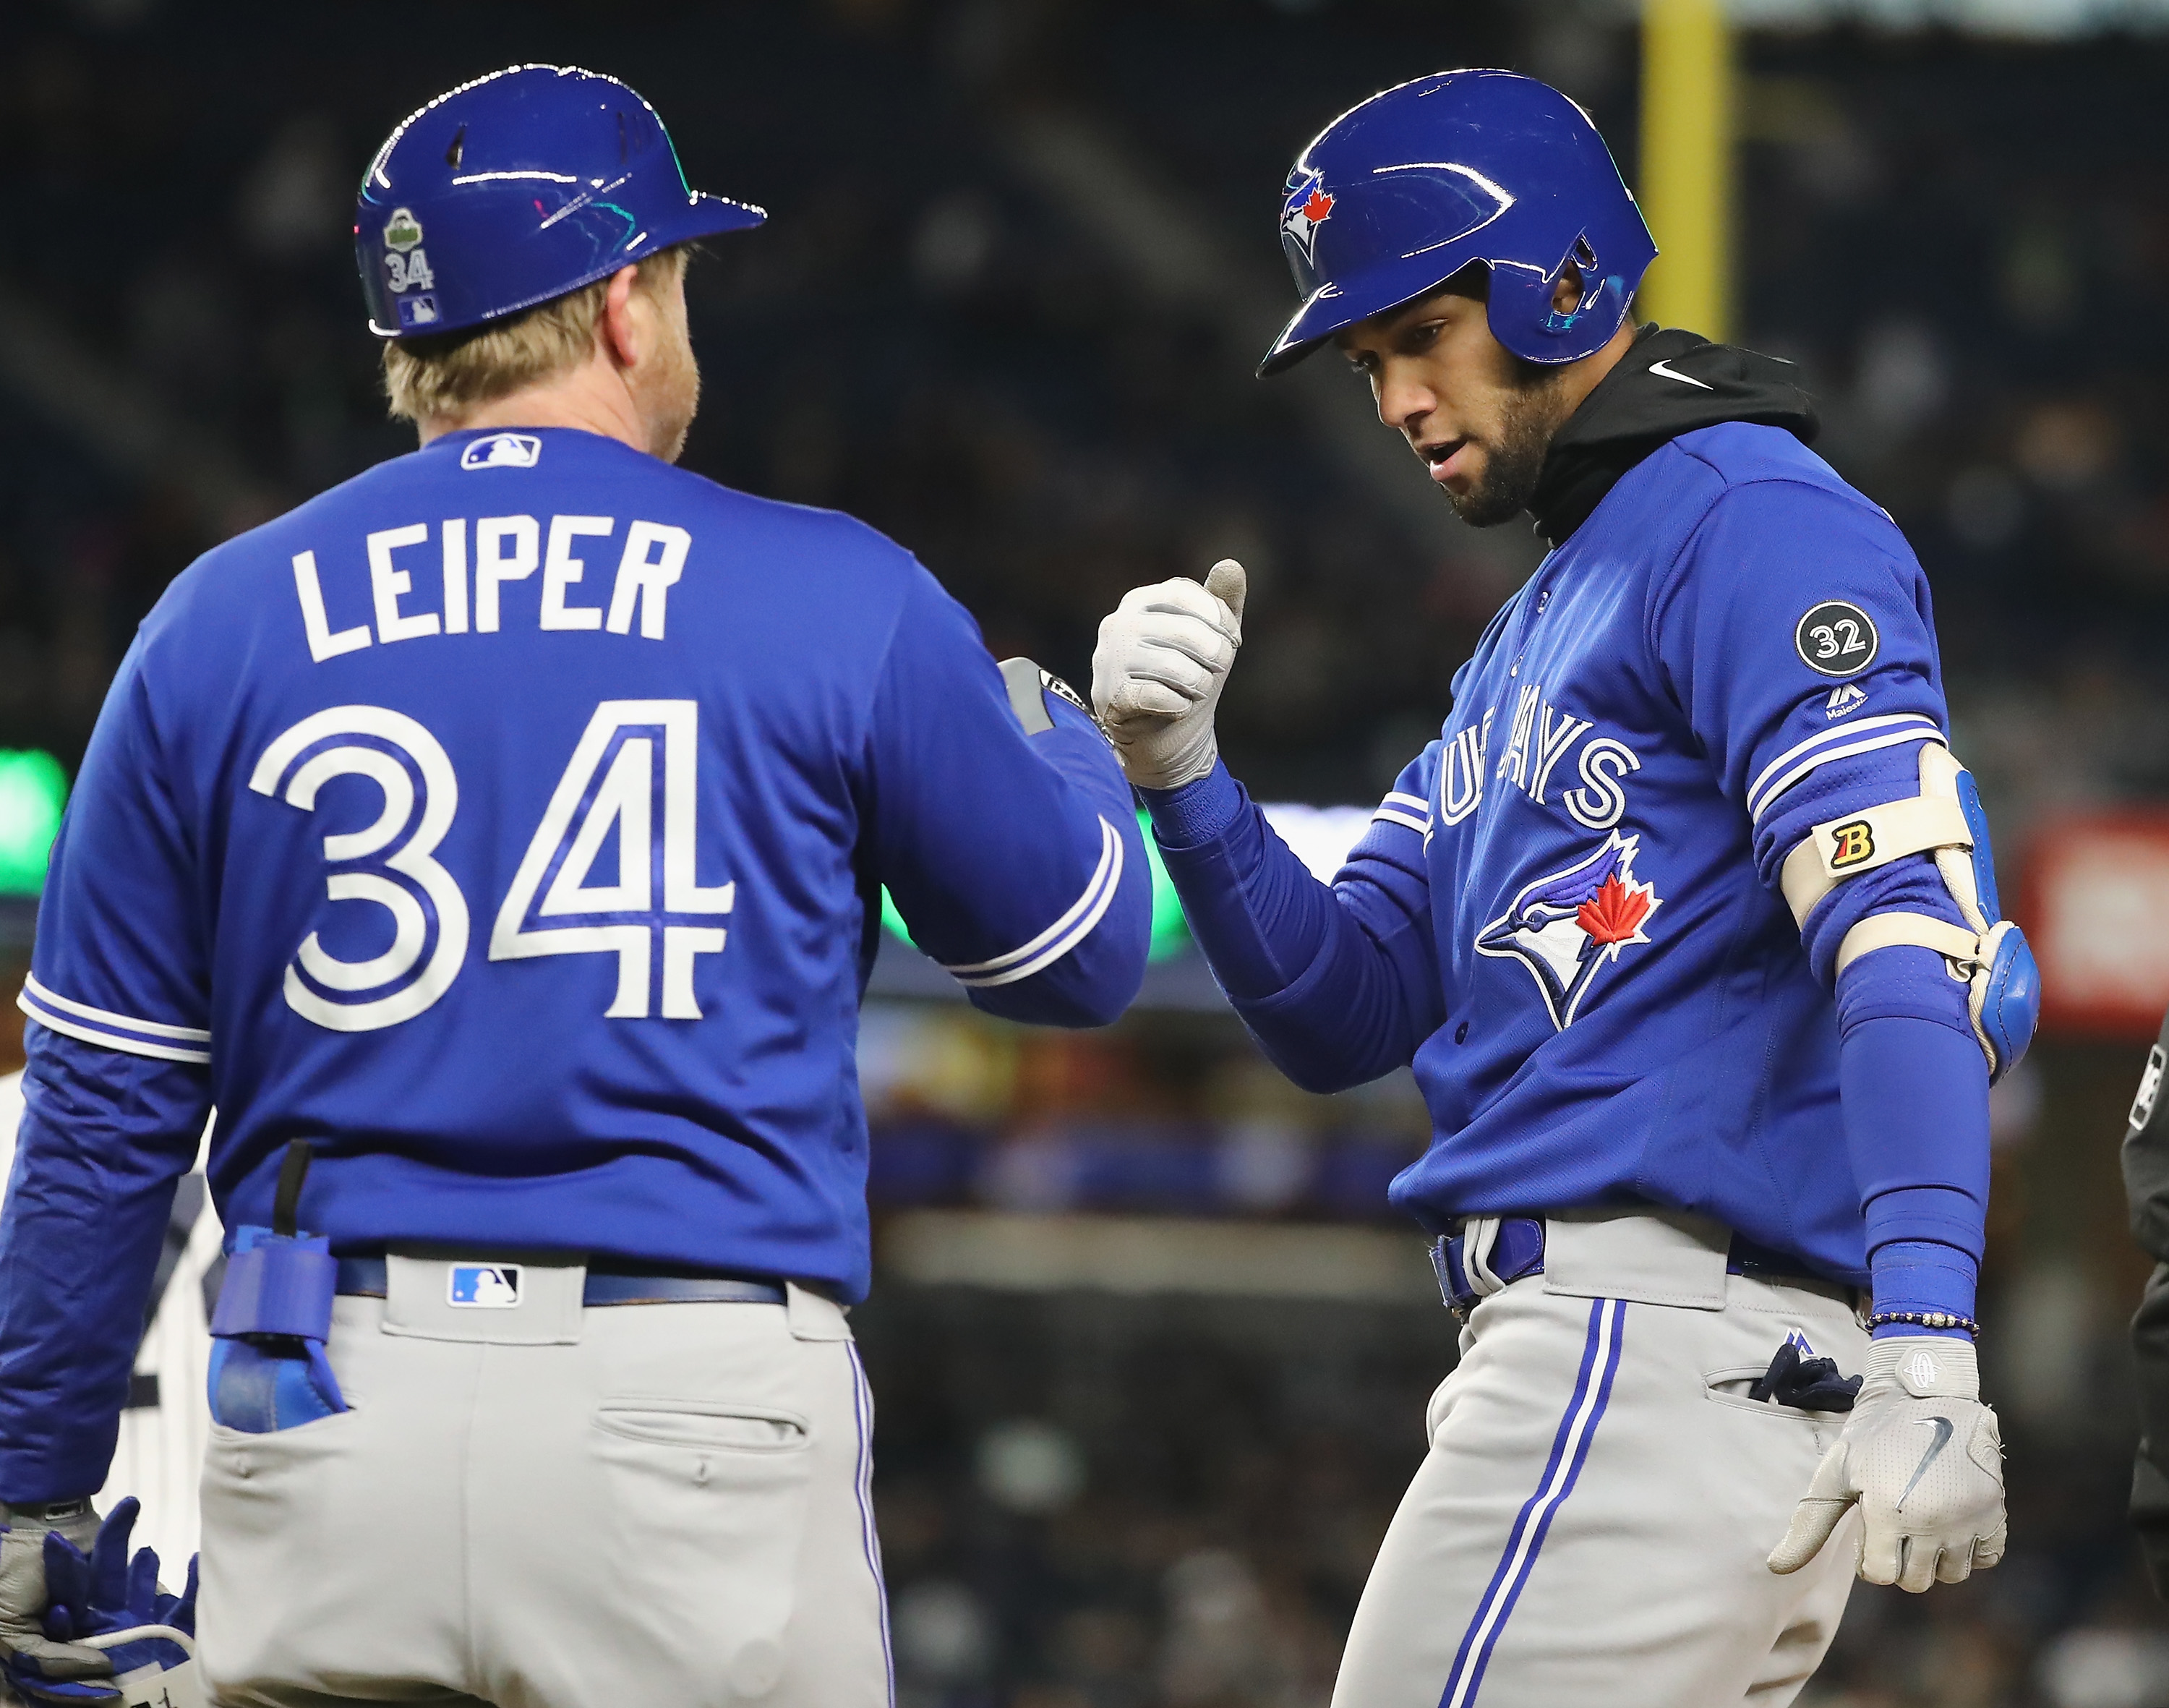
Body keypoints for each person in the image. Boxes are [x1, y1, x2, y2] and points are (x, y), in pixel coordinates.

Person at [0, 64, 1150, 1708]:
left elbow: (105, 1114)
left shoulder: (214, 622)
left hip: (326, 1413)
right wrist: (1080, 748)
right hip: (694, 1414)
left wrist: (30, 1486)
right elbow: (1081, 959)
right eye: (675, 278)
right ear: (622, 301)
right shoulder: (832, 587)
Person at [1092, 69, 2027, 1707]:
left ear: (1559, 280)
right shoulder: (1527, 629)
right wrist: (1189, 783)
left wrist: (1936, 1340)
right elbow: (1346, 1002)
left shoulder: (1752, 520)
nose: (1390, 397)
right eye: (1368, 361)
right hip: (1642, 1368)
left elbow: (1908, 933)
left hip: (1646, 1350)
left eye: (1417, 338)